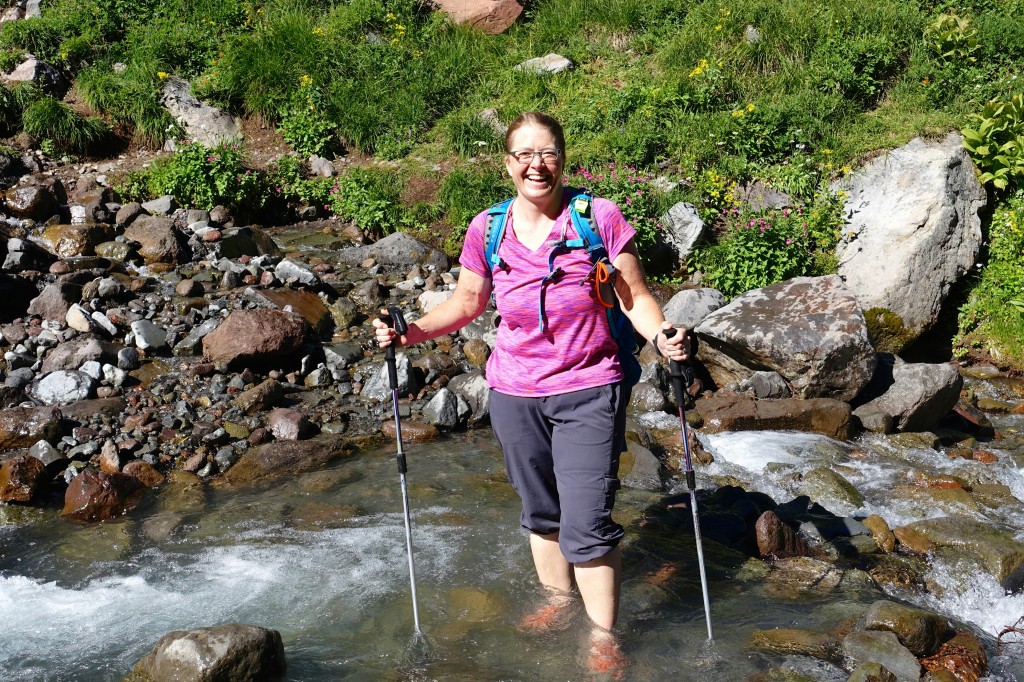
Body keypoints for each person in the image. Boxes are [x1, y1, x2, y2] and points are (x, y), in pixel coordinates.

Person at [373, 111, 691, 676]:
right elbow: (467, 303)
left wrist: (662, 334)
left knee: (587, 522)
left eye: (546, 153)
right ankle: (559, 601)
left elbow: (634, 297)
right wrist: (409, 333)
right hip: (514, 391)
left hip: (589, 386)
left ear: (562, 159)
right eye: (524, 154)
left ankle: (602, 635)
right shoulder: (488, 227)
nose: (536, 165)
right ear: (508, 164)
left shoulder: (597, 218)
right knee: (541, 511)